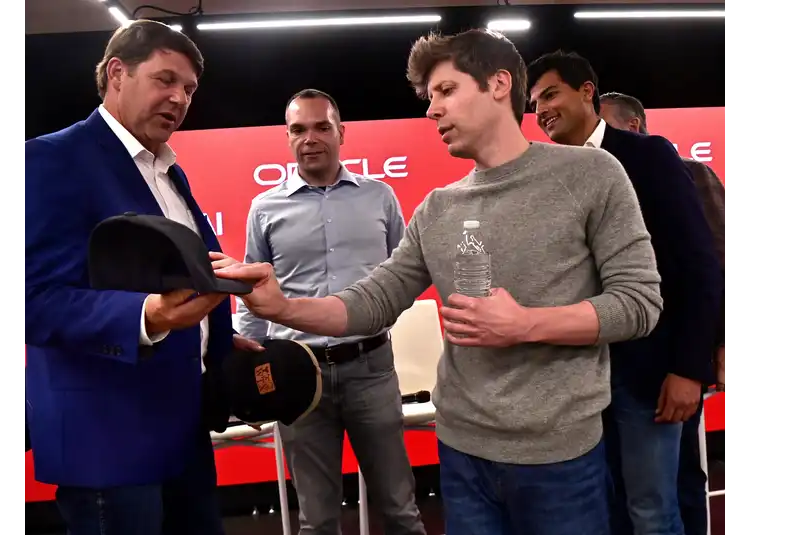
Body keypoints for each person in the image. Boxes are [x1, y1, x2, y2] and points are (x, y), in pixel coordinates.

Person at [213, 29, 664, 535]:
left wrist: (527, 324)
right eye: (430, 98)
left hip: (558, 456)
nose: (432, 110)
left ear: (498, 84)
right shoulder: (438, 208)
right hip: (462, 453)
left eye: (446, 91)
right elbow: (374, 299)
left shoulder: (592, 174)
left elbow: (639, 303)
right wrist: (281, 308)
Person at [23, 20, 233, 535]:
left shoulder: (167, 170)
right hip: (106, 442)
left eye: (188, 89)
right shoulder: (50, 160)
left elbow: (186, 274)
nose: (179, 99)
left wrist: (215, 340)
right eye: (166, 80)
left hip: (184, 429)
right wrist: (148, 314)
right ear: (117, 73)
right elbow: (34, 299)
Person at [527, 51, 723, 535]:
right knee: (603, 514)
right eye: (533, 103)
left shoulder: (647, 155)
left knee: (654, 512)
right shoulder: (545, 175)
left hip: (649, 374)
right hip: (578, 381)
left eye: (550, 94)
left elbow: (699, 265)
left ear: (586, 91)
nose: (542, 110)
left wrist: (688, 369)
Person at [218, 88, 426, 535]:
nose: (309, 138)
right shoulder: (264, 208)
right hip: (298, 377)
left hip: (371, 368)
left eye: (321, 127)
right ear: (287, 137)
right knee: (317, 519)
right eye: (298, 129)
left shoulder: (381, 197)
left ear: (341, 133)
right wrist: (245, 376)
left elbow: (405, 274)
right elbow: (252, 297)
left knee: (399, 509)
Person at [599, 91, 730, 535]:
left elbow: (710, 268)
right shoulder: (585, 182)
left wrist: (693, 365)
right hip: (610, 370)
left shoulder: (685, 174)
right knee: (633, 496)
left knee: (673, 490)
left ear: (631, 128)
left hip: (665, 367)